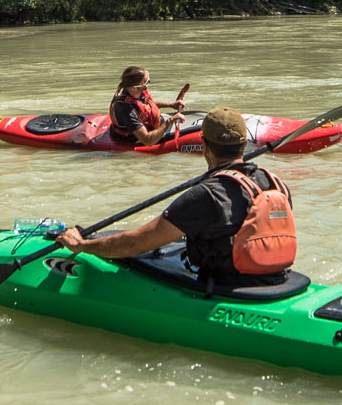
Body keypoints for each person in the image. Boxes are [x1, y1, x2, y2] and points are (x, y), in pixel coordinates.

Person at [53, 108, 296, 289]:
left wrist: (82, 245)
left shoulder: (205, 195)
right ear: (244, 144)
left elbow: (136, 244)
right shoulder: (275, 182)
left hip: (227, 285)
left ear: (204, 146)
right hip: (277, 278)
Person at [108, 66, 185, 147]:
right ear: (135, 88)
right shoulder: (127, 111)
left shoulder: (133, 91)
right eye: (146, 81)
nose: (150, 81)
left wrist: (171, 105)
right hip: (136, 138)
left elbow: (146, 104)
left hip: (149, 124)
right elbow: (147, 141)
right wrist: (170, 121)